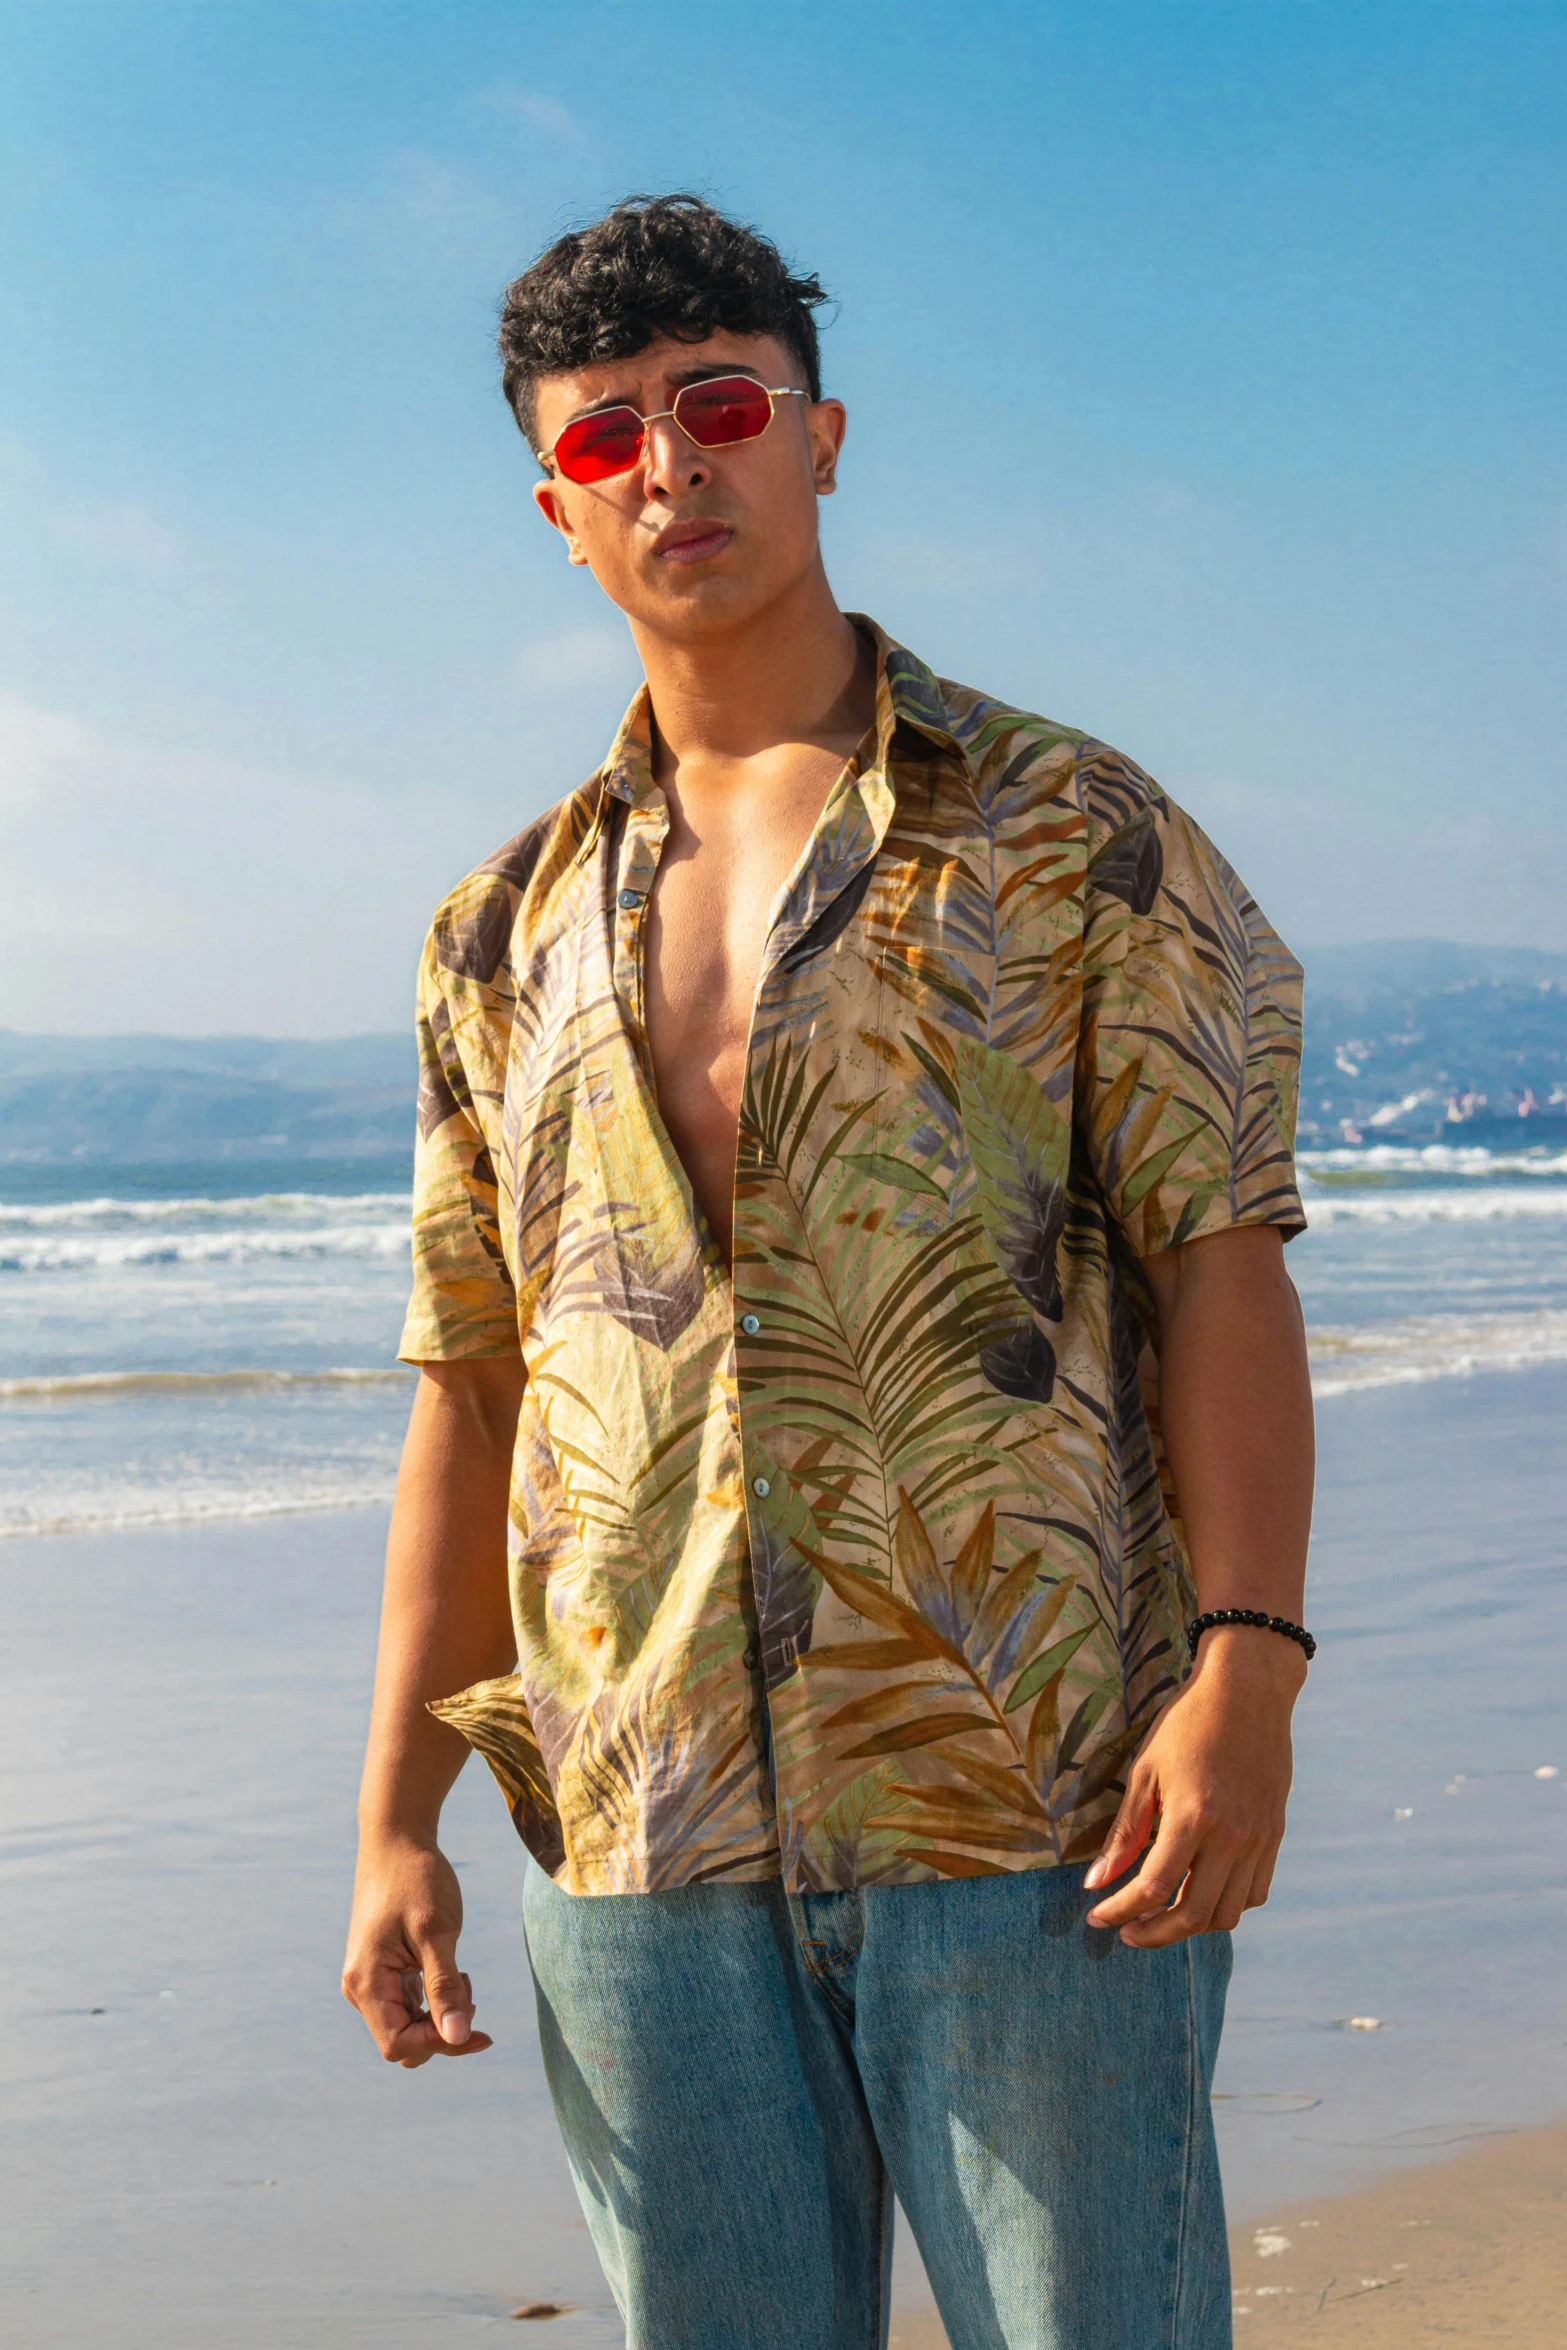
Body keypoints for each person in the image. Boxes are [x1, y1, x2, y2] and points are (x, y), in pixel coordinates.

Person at [343, 193, 1316, 2350]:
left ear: (820, 436)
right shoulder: (492, 935)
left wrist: (1247, 1666)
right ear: (557, 508)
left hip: (1034, 1806)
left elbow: (1217, 1253)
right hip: (638, 1836)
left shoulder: (1071, 827)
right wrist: (396, 1815)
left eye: (720, 407)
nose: (671, 465)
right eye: (610, 440)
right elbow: (476, 1391)